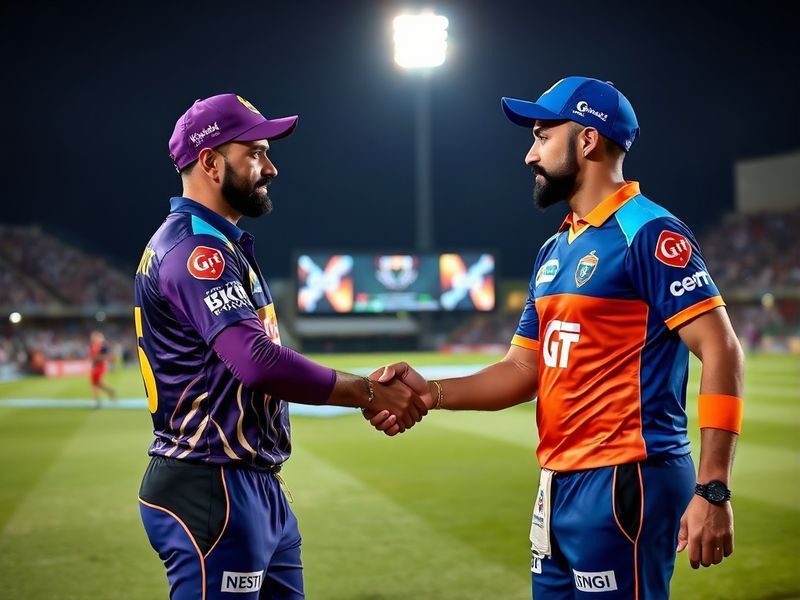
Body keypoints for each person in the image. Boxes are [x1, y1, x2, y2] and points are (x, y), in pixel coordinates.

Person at [371, 76, 744, 599]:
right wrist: (429, 392)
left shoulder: (650, 233)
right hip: (558, 482)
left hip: (625, 477)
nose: (530, 154)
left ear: (587, 140)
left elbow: (721, 348)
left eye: (543, 135)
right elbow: (523, 371)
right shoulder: (554, 250)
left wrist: (713, 488)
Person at [134, 93, 427, 600]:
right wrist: (370, 393)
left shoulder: (219, 244)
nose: (271, 169)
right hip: (213, 484)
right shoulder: (195, 249)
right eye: (255, 153)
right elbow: (258, 363)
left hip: (253, 484)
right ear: (210, 161)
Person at [89, 330, 116, 408]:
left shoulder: (102, 346)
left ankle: (96, 401)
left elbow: (105, 356)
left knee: (94, 384)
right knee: (98, 383)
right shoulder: (93, 345)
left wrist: (97, 358)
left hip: (100, 365)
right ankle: (111, 391)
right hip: (96, 366)